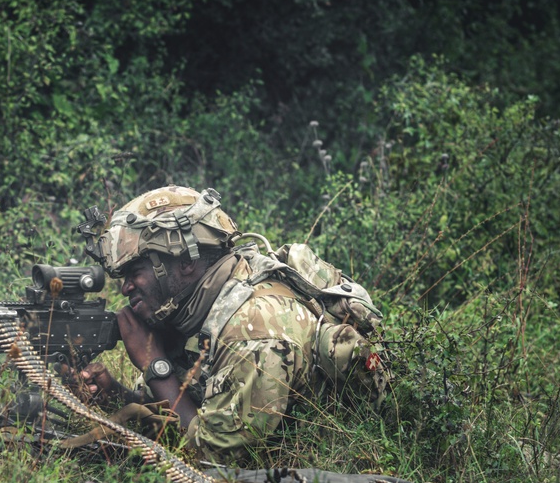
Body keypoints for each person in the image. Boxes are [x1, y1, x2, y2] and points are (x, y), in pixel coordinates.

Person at [75, 185, 388, 463]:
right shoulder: (201, 302)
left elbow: (212, 457)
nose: (125, 287)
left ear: (185, 262)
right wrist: (118, 396)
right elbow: (185, 413)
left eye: (135, 271)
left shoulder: (252, 329)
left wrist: (155, 364)